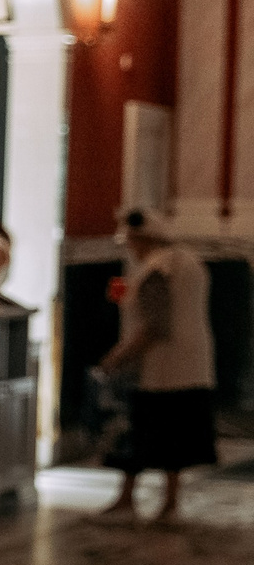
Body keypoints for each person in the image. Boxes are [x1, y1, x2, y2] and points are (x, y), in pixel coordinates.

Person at [97, 208, 215, 523]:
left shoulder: (156, 269)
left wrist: (119, 357)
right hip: (192, 364)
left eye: (129, 240)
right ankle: (165, 503)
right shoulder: (188, 260)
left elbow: (155, 326)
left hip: (161, 369)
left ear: (141, 238)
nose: (127, 246)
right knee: (176, 439)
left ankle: (142, 502)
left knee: (147, 434)